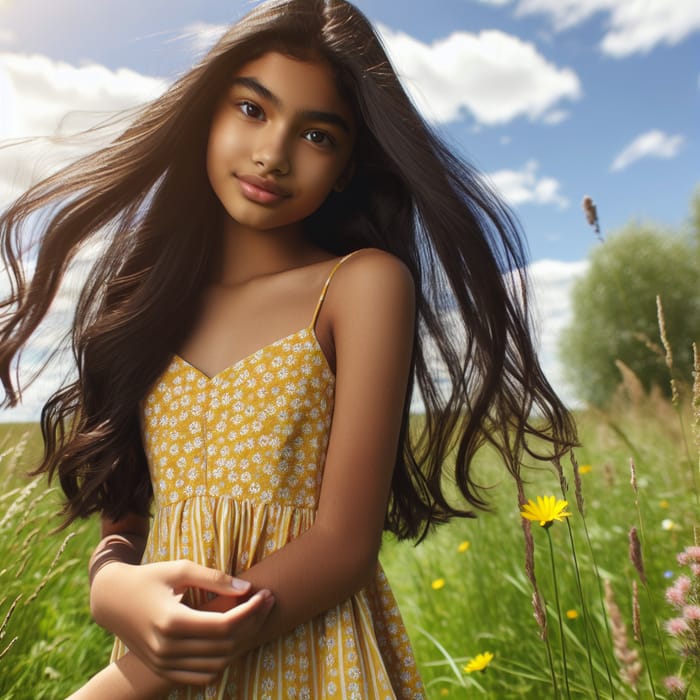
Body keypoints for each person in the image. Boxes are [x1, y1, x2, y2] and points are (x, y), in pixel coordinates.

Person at [0, 0, 578, 697]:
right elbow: (124, 514)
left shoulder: (360, 285)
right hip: (166, 660)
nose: (273, 154)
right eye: (252, 110)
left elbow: (342, 545)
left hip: (303, 659)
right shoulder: (146, 304)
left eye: (318, 135)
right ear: (207, 115)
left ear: (344, 166)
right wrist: (111, 585)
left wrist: (128, 681)